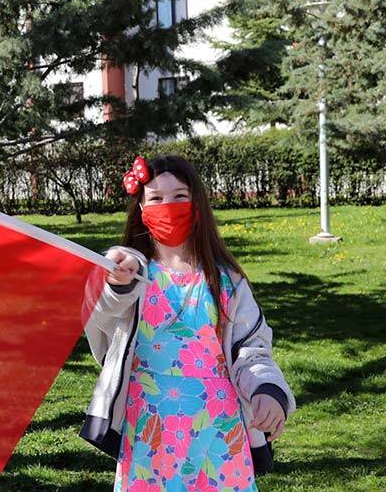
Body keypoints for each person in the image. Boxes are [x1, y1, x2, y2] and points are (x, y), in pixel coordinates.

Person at [81, 154, 296, 491]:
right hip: (149, 431)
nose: (168, 206)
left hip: (219, 432)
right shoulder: (131, 276)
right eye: (155, 198)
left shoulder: (227, 282)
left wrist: (267, 391)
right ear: (140, 209)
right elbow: (101, 321)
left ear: (197, 203)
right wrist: (115, 284)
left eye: (179, 196)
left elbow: (252, 350)